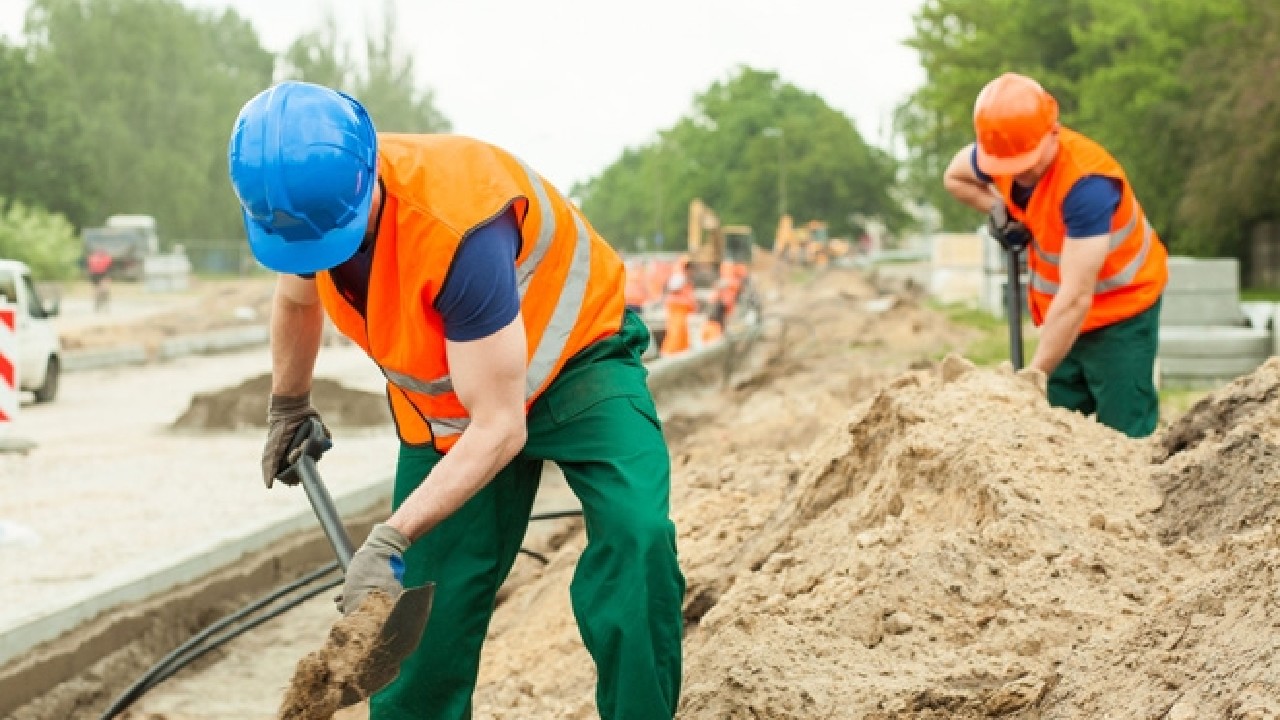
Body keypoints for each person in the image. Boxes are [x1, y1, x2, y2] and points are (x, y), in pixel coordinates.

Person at [227, 81, 684, 720]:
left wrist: (388, 536)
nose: (315, 260)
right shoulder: (311, 206)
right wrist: (289, 403)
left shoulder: (457, 229)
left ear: (367, 183)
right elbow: (298, 301)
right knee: (418, 619)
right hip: (449, 419)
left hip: (579, 367)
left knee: (637, 538)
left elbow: (501, 429)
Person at [942, 72, 1169, 438]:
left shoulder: (1087, 185)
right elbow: (954, 178)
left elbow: (1078, 294)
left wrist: (1034, 376)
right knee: (1056, 428)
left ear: (1053, 130)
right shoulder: (1001, 155)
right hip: (1060, 318)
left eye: (1027, 159)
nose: (1021, 170)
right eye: (1009, 163)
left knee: (1124, 433)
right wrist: (1000, 210)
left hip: (1120, 314)